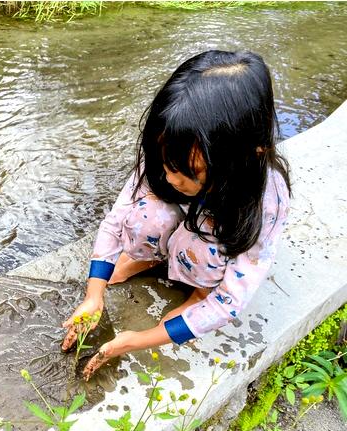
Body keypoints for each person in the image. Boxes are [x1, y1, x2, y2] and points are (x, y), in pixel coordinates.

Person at [61, 50, 291, 380]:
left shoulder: (266, 198)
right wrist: (93, 294)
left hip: (211, 241)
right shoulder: (172, 143)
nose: (170, 177)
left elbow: (230, 303)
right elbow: (116, 220)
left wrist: (136, 341)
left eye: (189, 171)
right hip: (184, 222)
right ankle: (150, 258)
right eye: (166, 163)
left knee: (201, 250)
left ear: (248, 154)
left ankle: (199, 290)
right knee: (146, 217)